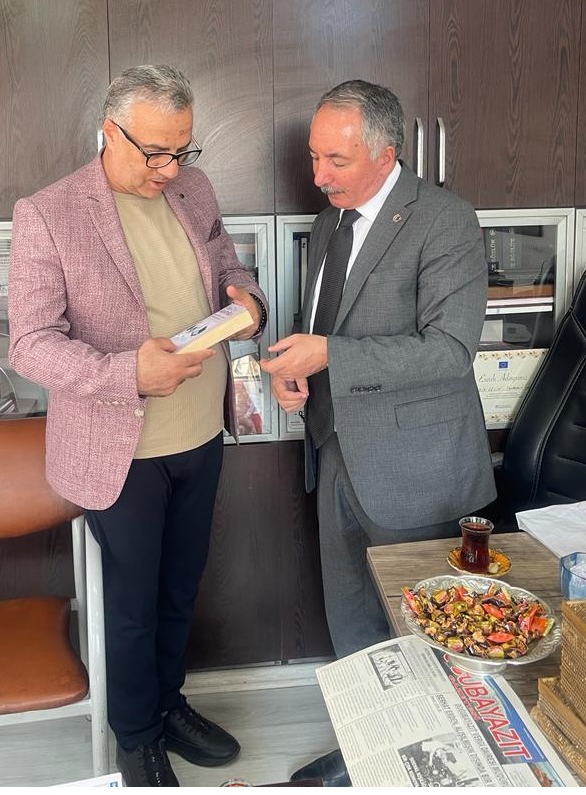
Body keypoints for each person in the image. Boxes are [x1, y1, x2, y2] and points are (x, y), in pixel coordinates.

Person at [8, 64, 268, 787]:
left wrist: (245, 296)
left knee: (181, 589)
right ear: (109, 131)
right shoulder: (49, 212)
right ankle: (136, 736)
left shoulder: (193, 188)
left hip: (200, 433)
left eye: (182, 150)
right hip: (118, 449)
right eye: (154, 152)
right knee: (132, 605)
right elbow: (30, 343)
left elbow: (227, 262)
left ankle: (168, 703)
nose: (169, 169)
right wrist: (128, 373)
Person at [260, 79, 496, 784]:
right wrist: (295, 370)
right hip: (334, 450)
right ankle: (369, 755)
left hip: (416, 467)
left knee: (426, 633)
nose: (317, 175)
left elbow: (448, 350)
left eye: (335, 160)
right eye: (313, 156)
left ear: (386, 152)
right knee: (353, 621)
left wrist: (329, 355)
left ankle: (435, 766)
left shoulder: (445, 220)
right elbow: (324, 324)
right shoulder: (327, 222)